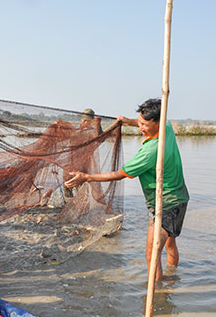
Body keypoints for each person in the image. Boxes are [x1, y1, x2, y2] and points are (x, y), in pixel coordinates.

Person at [65, 98, 189, 281]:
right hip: (181, 198)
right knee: (170, 243)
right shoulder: (167, 128)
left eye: (144, 125)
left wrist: (87, 177)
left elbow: (119, 174)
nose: (140, 127)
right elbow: (142, 124)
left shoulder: (150, 152)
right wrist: (127, 121)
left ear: (157, 123)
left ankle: (159, 295)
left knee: (151, 254)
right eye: (139, 123)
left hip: (166, 204)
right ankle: (173, 278)